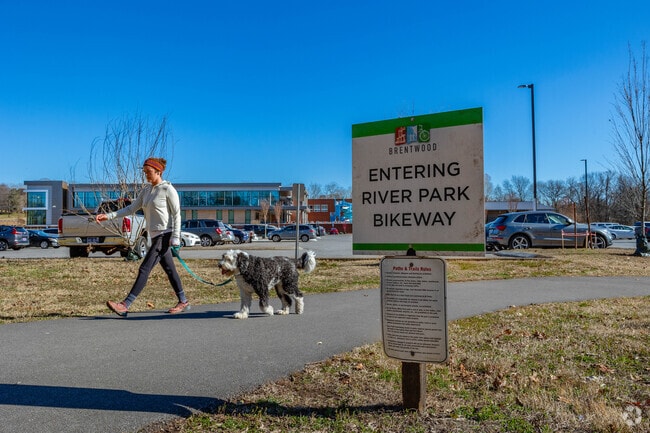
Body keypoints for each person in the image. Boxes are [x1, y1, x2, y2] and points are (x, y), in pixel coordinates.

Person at [96, 157, 190, 317]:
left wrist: (175, 236)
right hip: (154, 236)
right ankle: (183, 301)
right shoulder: (146, 191)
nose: (146, 175)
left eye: (149, 172)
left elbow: (177, 214)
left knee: (144, 268)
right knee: (169, 269)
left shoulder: (168, 189)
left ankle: (125, 305)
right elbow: (131, 209)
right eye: (145, 172)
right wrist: (109, 215)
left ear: (158, 171)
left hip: (164, 235)